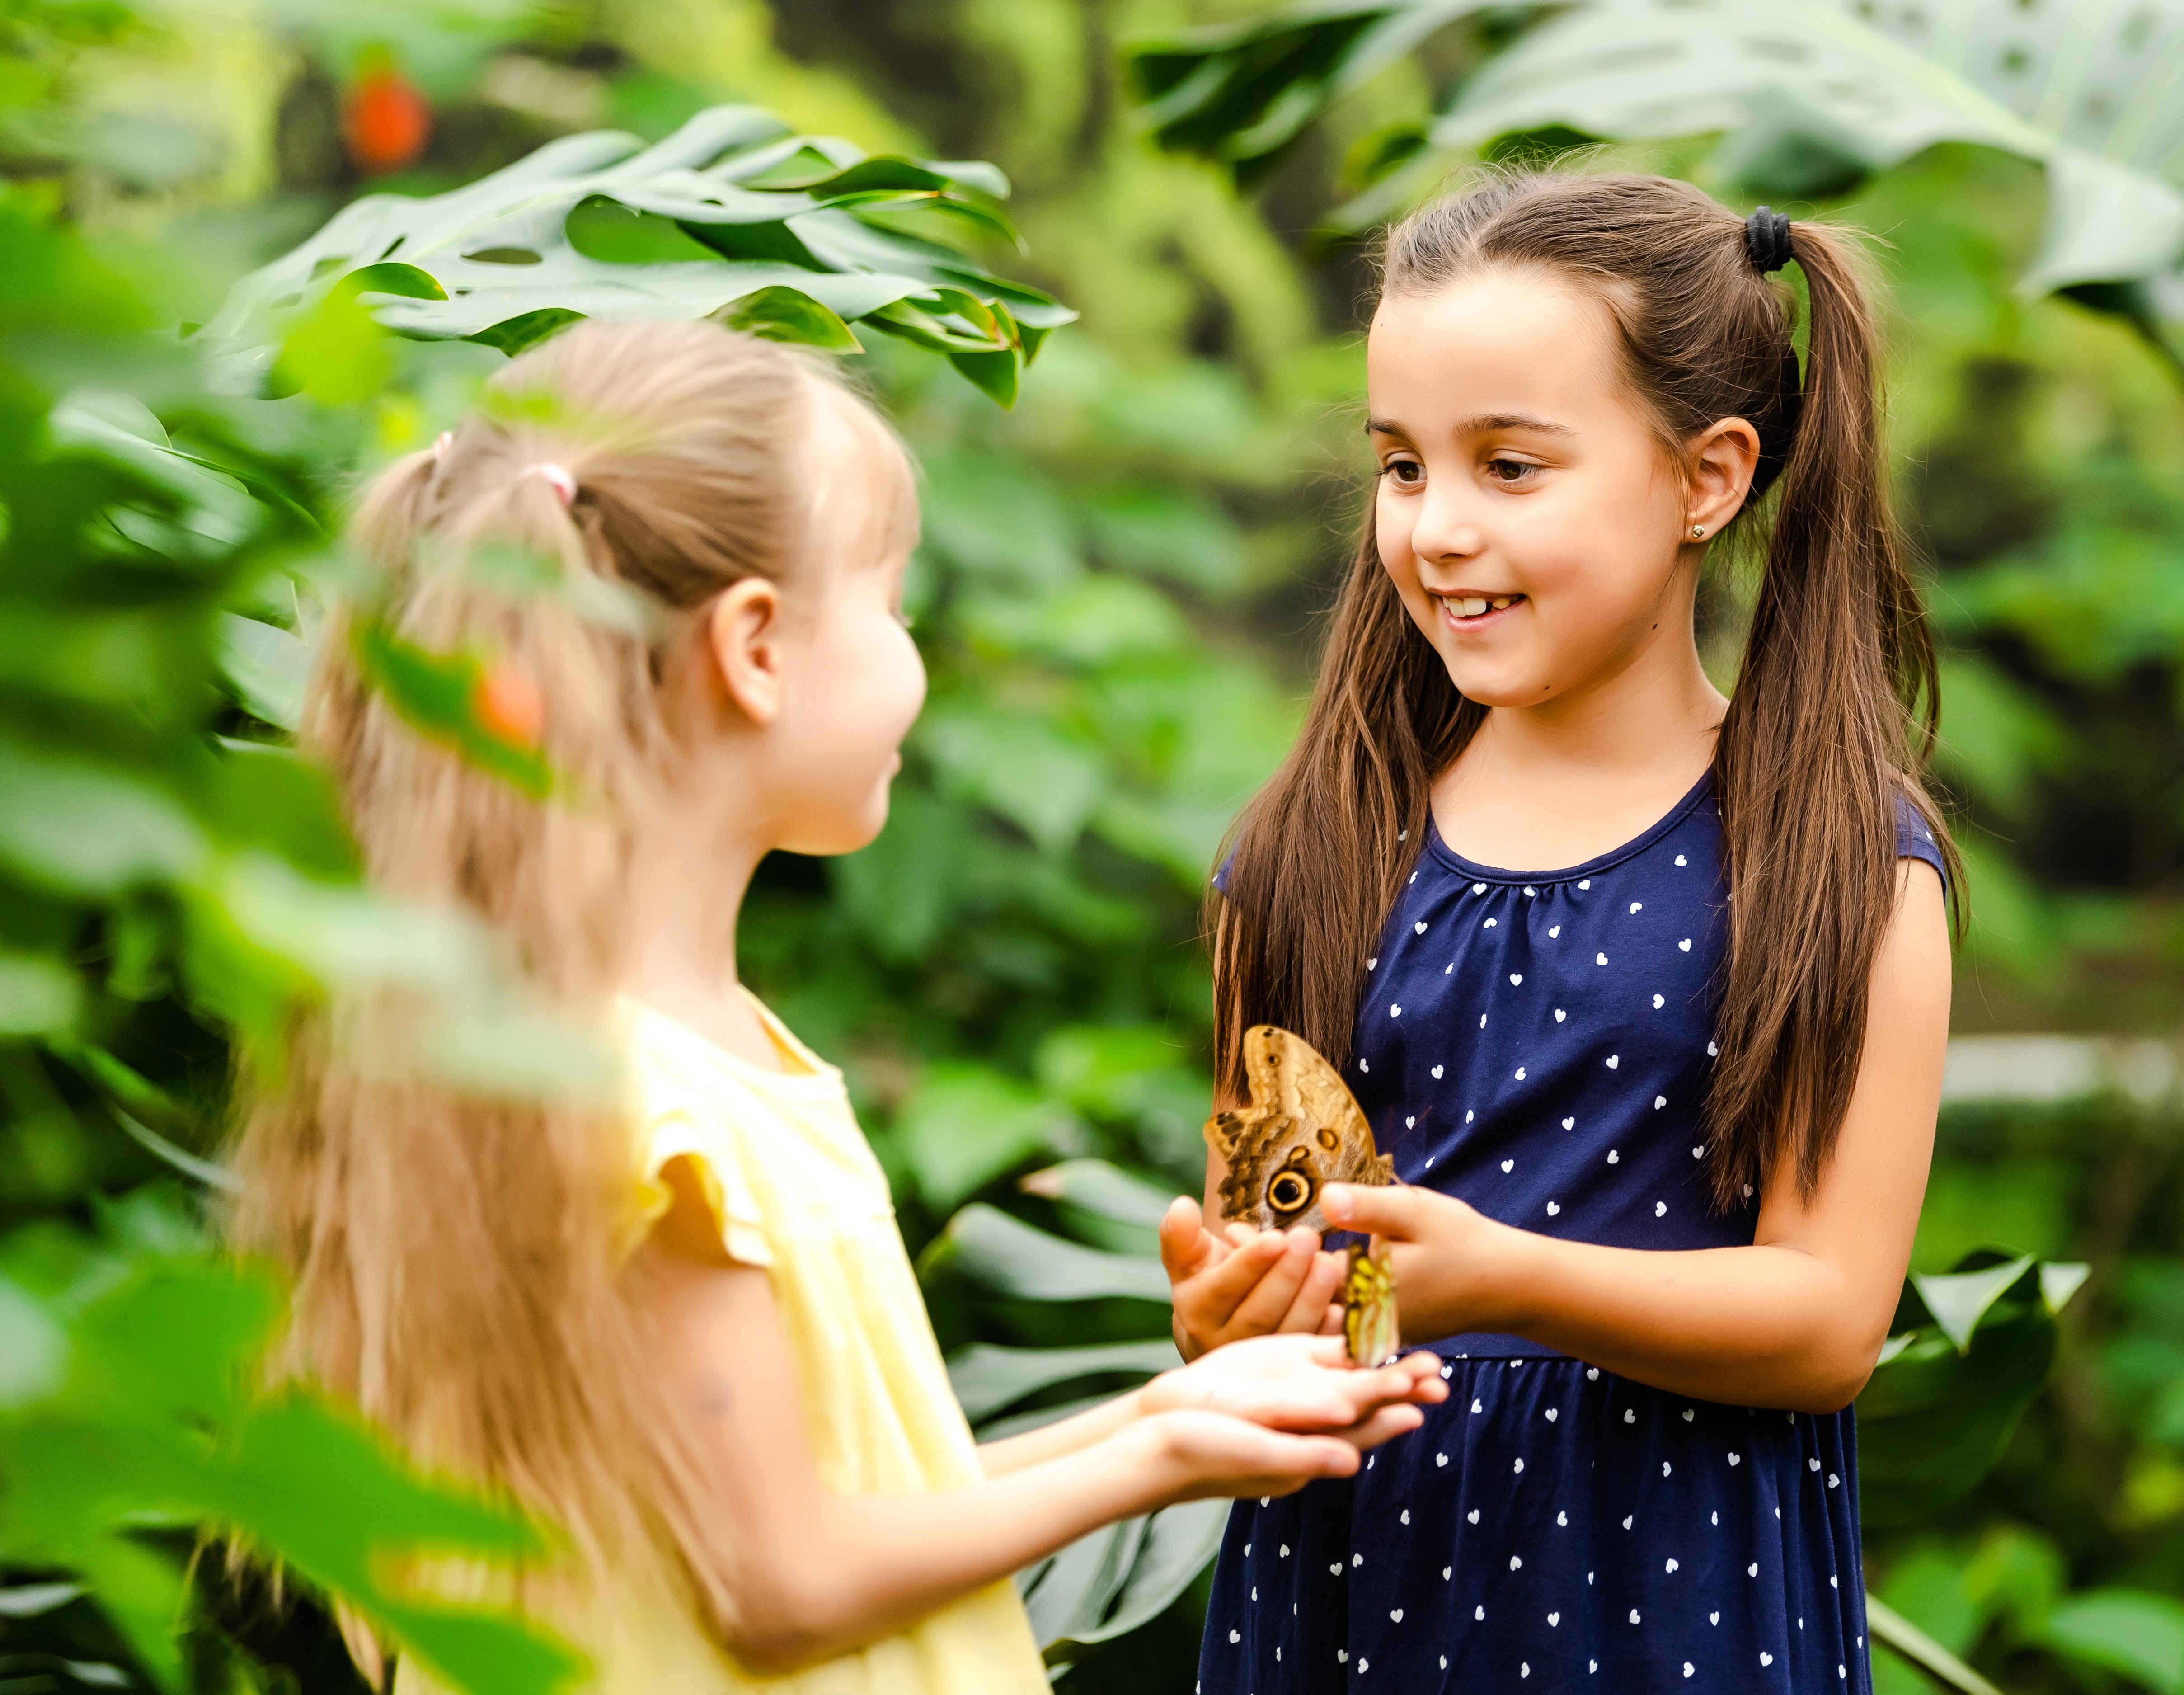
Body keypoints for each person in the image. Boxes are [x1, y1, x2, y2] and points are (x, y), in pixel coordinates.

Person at [232, 318, 1445, 1695]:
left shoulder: (649, 1049)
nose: (909, 655)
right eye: (891, 606)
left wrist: (1166, 1416)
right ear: (755, 647)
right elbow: (778, 1589)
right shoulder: (649, 1107)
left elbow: (843, 1503)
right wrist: (1161, 1457)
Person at [1161, 170, 1955, 1690]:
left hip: (1669, 1613)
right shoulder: (1307, 850)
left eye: (1511, 469)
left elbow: (1828, 1317)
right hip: (1350, 1605)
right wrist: (1232, 1311)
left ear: (1706, 479)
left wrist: (1510, 1278)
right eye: (1402, 468)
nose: (1438, 530)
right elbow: (1275, 1269)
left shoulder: (1837, 864)